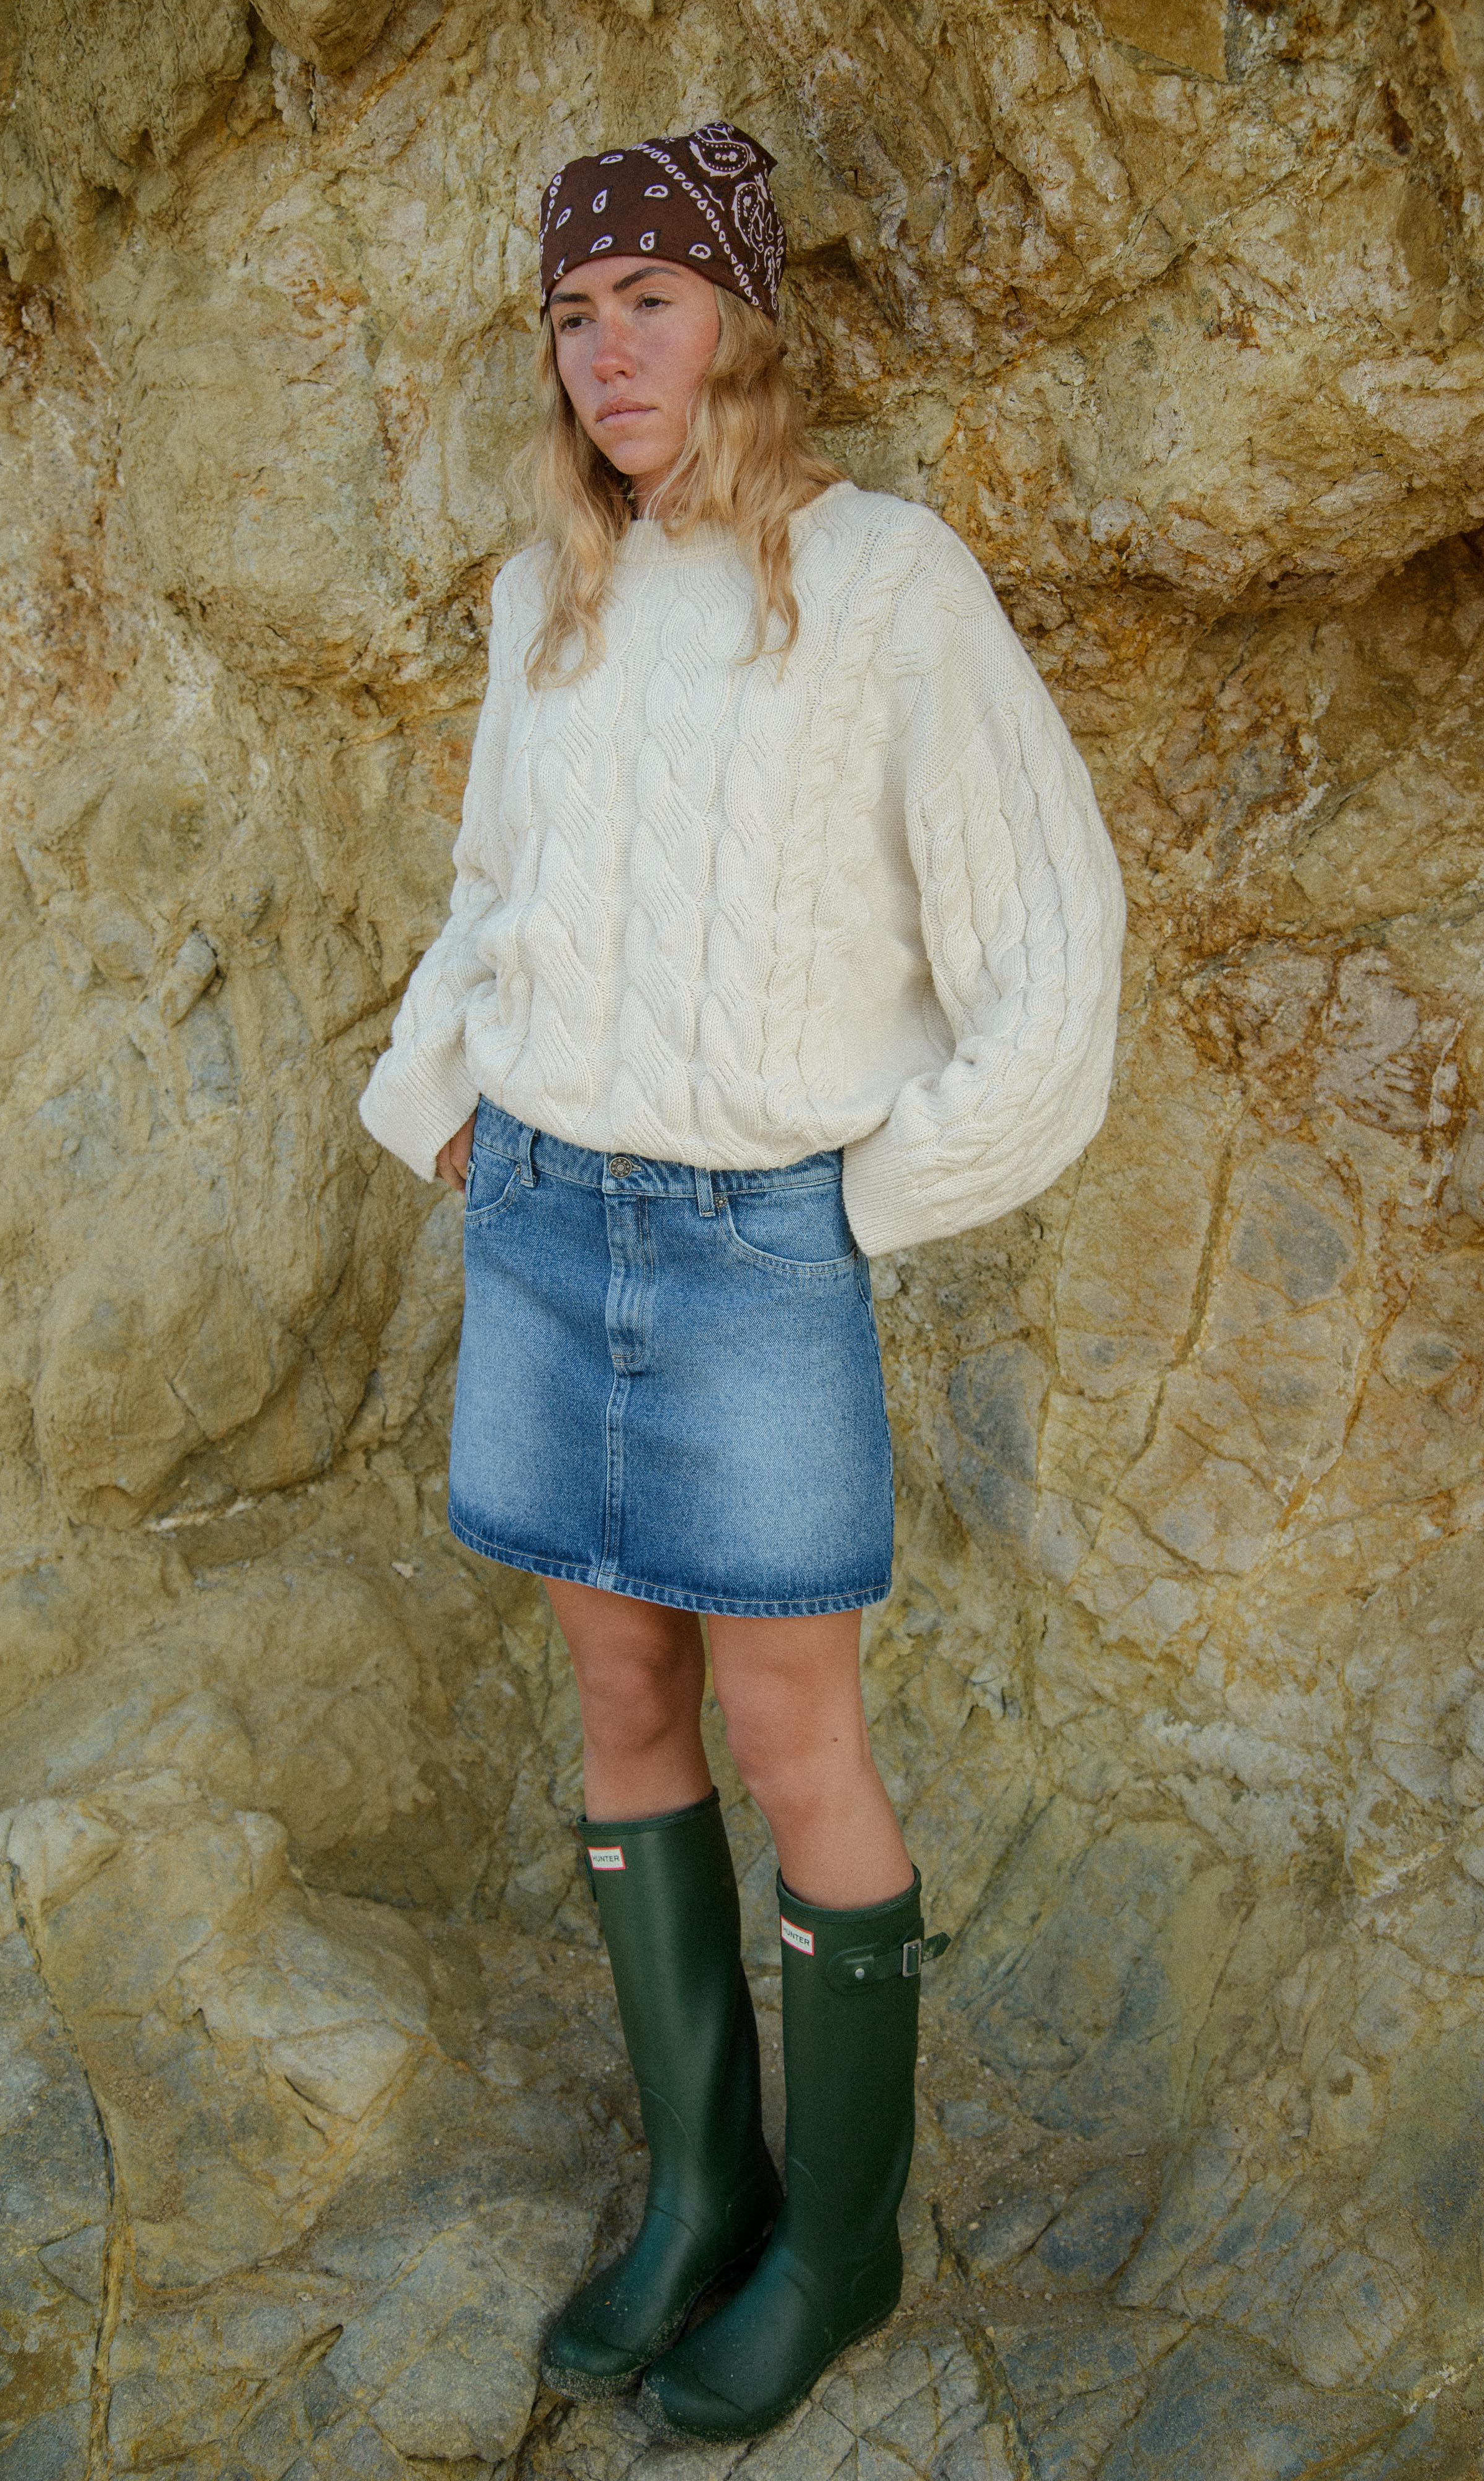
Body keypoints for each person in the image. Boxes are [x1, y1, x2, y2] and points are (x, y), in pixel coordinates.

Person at [357, 120, 1126, 2444]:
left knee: (801, 1741)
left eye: (651, 305)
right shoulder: (542, 594)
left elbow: (1053, 954)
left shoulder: (893, 584)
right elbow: (493, 886)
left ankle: (844, 2244)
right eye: (574, 317)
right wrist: (452, 1099)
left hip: (753, 1245)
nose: (609, 356)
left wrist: (850, 1212)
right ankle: (704, 2186)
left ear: (742, 322)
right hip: (549, 1224)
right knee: (618, 1707)